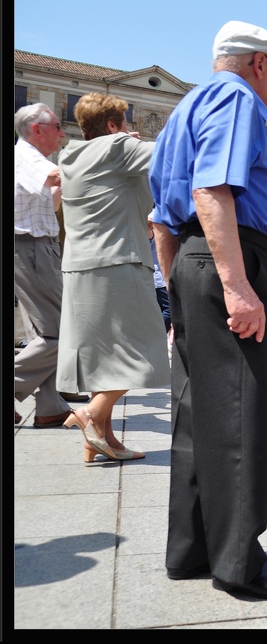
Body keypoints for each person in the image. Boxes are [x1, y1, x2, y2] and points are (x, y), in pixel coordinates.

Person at [149, 21, 267, 599]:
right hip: (233, 258)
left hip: (195, 261)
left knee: (198, 415)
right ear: (258, 64)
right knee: (244, 412)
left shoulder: (186, 108)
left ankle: (192, 548)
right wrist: (237, 287)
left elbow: (162, 219)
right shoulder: (237, 98)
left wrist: (177, 300)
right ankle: (239, 562)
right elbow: (212, 191)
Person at [55, 92, 170, 462]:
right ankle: (90, 414)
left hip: (78, 266)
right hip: (119, 261)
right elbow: (174, 154)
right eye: (124, 121)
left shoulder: (70, 156)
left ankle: (99, 441)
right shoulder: (119, 148)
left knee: (98, 357)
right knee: (145, 350)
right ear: (111, 125)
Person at [13, 103, 74, 428]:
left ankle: (50, 405)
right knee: (62, 331)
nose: (62, 133)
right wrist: (97, 158)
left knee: (45, 330)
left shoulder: (29, 158)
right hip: (32, 248)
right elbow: (53, 177)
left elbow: (48, 199)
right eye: (56, 127)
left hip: (35, 246)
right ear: (37, 130)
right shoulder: (29, 157)